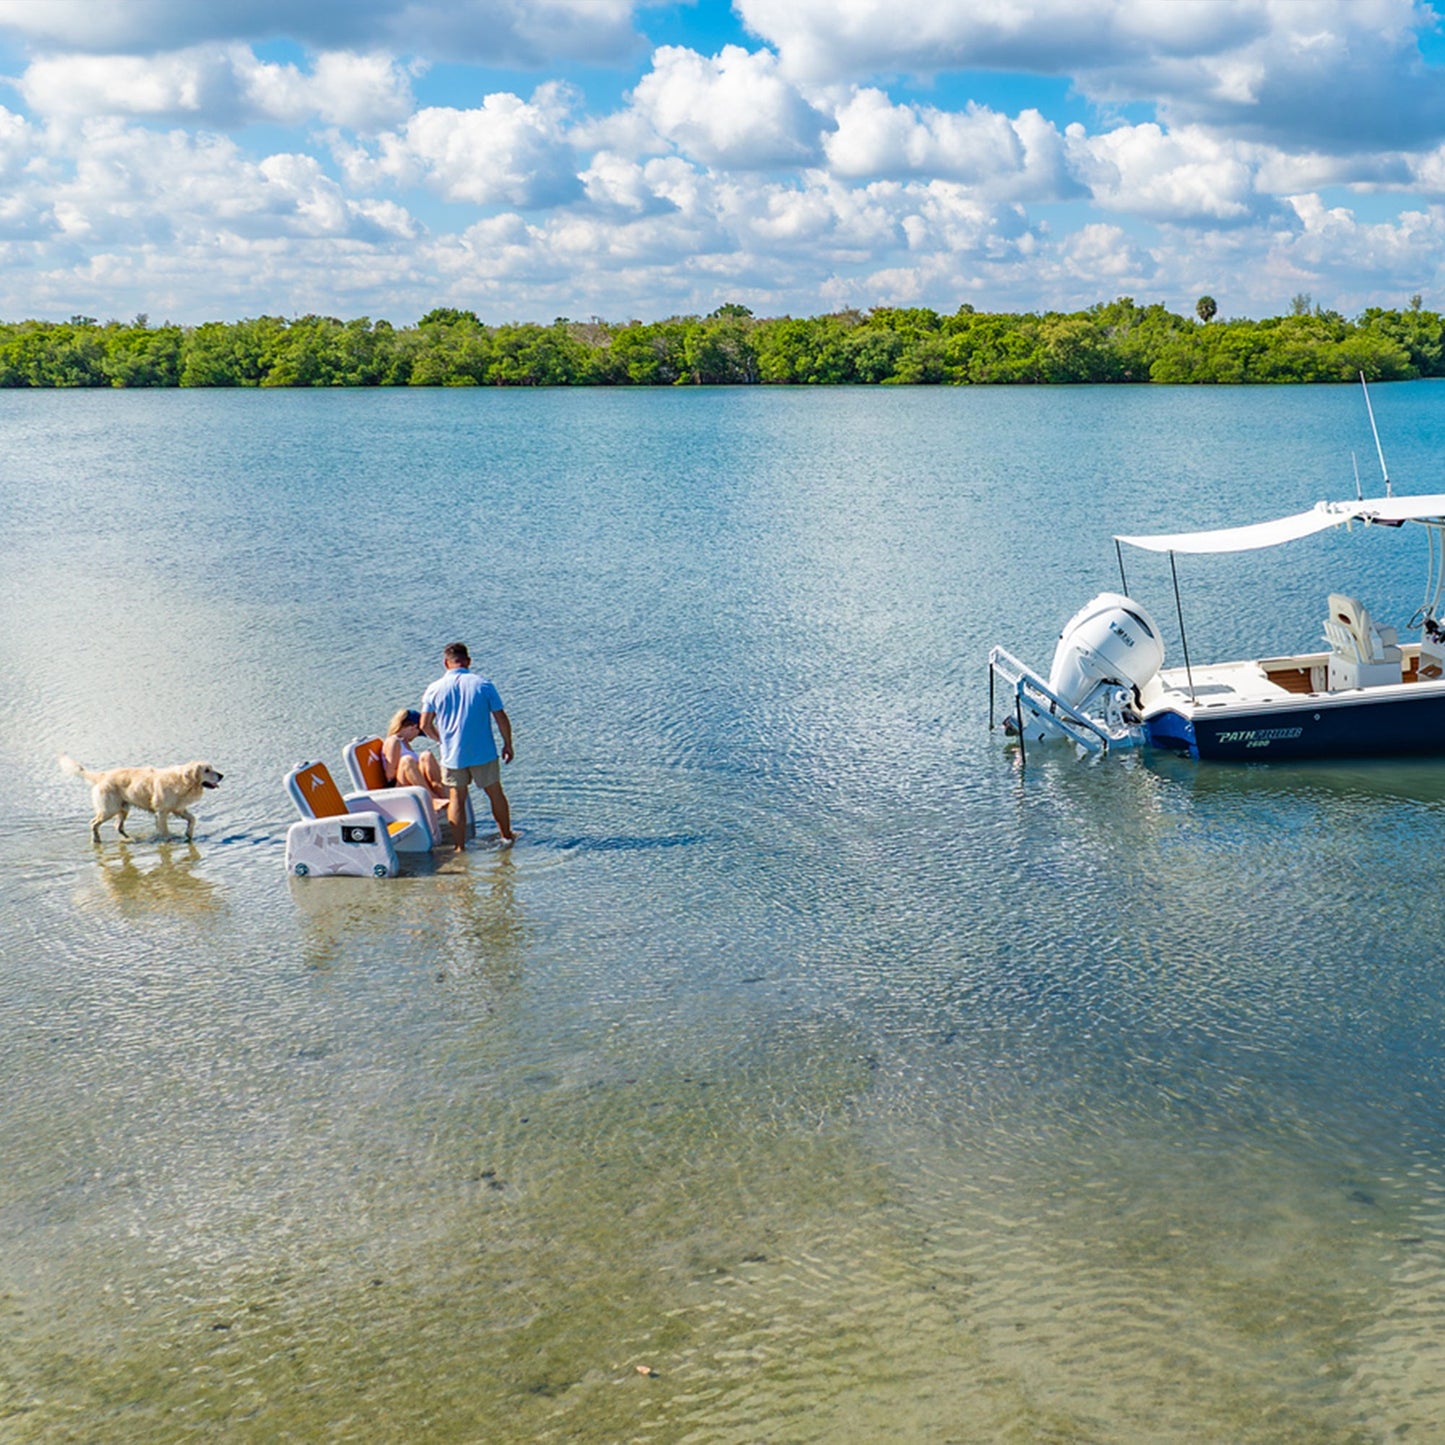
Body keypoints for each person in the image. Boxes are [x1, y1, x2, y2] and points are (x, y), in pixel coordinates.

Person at [419, 641, 515, 850]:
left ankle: (459, 847)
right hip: (483, 752)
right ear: (468, 661)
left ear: (446, 663)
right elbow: (501, 717)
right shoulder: (483, 684)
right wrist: (508, 744)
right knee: (495, 793)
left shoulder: (434, 688)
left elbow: (424, 724)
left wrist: (441, 740)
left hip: (452, 755)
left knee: (457, 798)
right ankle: (507, 838)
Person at [381, 707, 448, 801]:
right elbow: (390, 774)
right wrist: (412, 769)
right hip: (398, 786)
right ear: (413, 727)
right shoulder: (394, 741)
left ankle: (442, 792)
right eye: (418, 733)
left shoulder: (404, 742)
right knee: (407, 761)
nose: (416, 736)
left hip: (413, 782)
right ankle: (431, 798)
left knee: (426, 756)